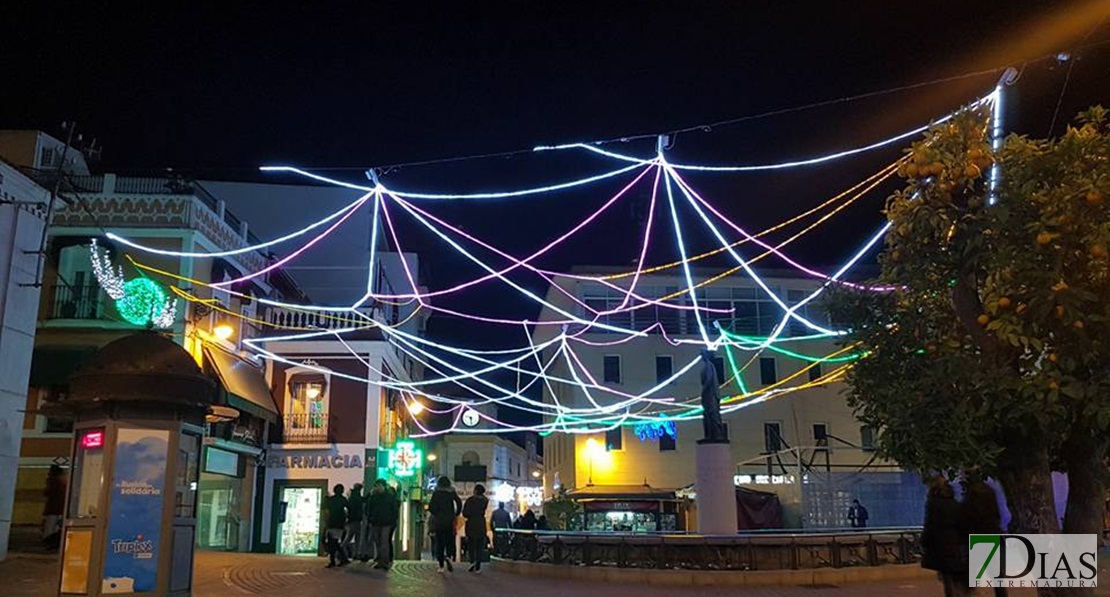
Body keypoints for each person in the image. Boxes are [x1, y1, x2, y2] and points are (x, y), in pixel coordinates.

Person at [921, 478, 968, 597]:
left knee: (946, 575)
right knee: (956, 574)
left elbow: (930, 525)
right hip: (955, 544)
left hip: (940, 545)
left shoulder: (933, 505)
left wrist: (924, 541)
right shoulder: (956, 504)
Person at [964, 473, 1008, 597]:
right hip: (993, 535)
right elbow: (997, 515)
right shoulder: (989, 491)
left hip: (978, 539)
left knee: (970, 577)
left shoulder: (971, 495)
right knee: (997, 577)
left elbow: (967, 518)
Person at [428, 476, 462, 573]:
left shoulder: (436, 493)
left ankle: (441, 565)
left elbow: (431, 507)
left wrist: (436, 513)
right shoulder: (451, 493)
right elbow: (459, 502)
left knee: (440, 543)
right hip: (450, 521)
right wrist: (456, 513)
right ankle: (449, 556)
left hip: (439, 521)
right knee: (450, 540)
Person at [366, 479, 399, 570]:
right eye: (376, 486)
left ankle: (384, 561)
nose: (378, 488)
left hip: (386, 523)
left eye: (379, 486)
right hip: (375, 523)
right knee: (377, 542)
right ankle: (380, 560)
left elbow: (394, 511)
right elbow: (368, 509)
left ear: (384, 486)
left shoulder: (389, 497)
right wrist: (370, 519)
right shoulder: (373, 497)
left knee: (384, 542)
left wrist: (392, 521)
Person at [462, 484, 490, 573]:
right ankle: (478, 565)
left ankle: (472, 561)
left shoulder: (470, 500)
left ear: (476, 491)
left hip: (471, 524)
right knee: (480, 546)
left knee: (471, 544)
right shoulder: (485, 501)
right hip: (481, 524)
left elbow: (465, 513)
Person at [323, 484, 349, 568]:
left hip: (332, 523)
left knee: (332, 542)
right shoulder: (344, 500)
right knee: (335, 542)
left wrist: (326, 522)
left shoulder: (331, 500)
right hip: (340, 524)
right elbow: (347, 511)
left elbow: (327, 512)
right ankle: (342, 558)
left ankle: (334, 560)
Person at [42, 465, 67, 551]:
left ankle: (49, 544)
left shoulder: (52, 481)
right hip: (61, 508)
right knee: (57, 527)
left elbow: (47, 492)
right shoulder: (63, 482)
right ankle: (55, 544)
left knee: (50, 527)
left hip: (52, 509)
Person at [344, 483, 364, 562]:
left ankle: (343, 550)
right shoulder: (357, 497)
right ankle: (355, 553)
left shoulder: (352, 497)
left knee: (349, 536)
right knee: (356, 537)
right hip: (356, 520)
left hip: (351, 520)